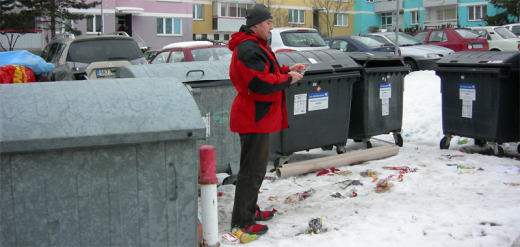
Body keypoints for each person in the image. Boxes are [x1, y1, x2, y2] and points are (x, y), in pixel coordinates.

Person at [227, 4, 309, 236]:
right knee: (252, 170)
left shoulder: (256, 45)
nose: (271, 27)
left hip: (258, 114)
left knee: (256, 169)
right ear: (256, 25)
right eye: (269, 23)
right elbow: (260, 83)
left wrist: (287, 69)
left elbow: (267, 70)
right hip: (254, 115)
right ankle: (243, 221)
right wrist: (287, 79)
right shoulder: (248, 48)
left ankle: (250, 209)